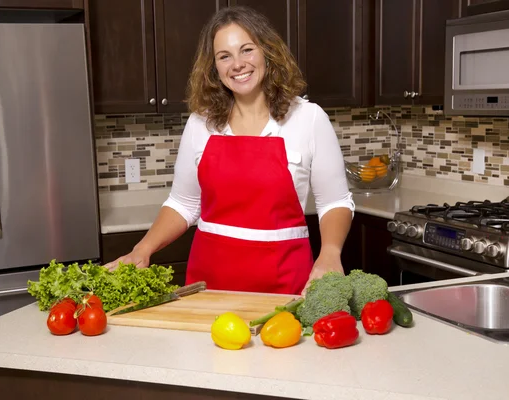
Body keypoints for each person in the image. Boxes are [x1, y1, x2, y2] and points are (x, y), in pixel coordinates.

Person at [104, 6, 355, 296]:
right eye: (225, 56)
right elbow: (183, 203)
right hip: (208, 287)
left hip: (285, 286)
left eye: (247, 50)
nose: (237, 64)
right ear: (214, 68)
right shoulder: (201, 122)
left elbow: (334, 202)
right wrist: (142, 249)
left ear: (267, 52)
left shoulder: (308, 119)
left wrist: (330, 253)